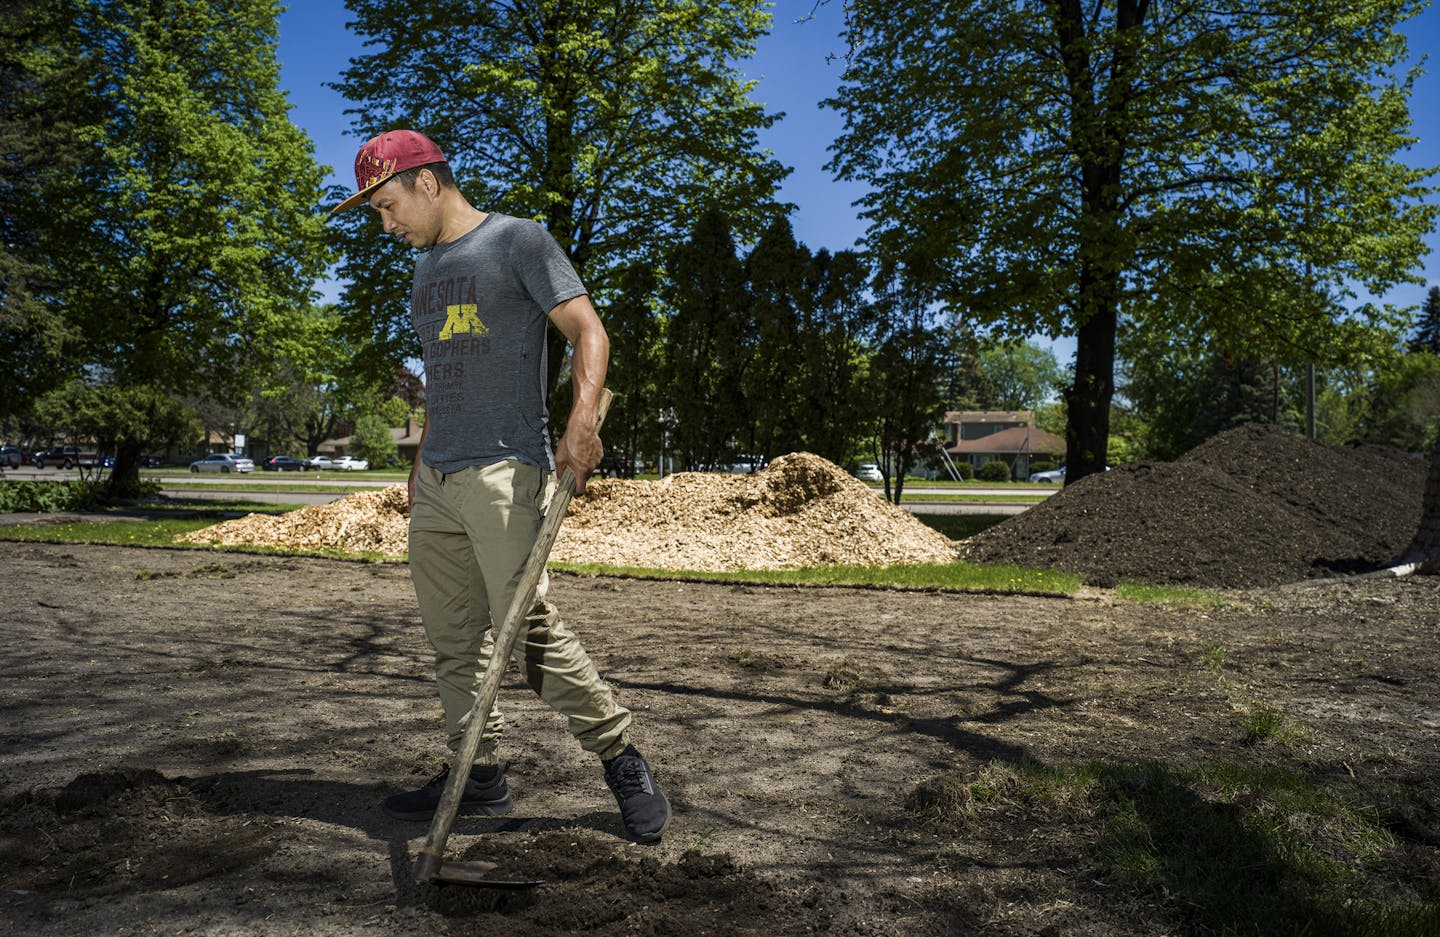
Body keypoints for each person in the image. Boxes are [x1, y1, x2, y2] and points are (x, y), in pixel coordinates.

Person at [330, 129, 669, 844]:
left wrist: (581, 420)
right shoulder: (424, 273)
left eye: (388, 206)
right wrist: (421, 464)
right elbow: (443, 379)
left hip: (505, 469)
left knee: (526, 628)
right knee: (453, 639)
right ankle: (477, 774)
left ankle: (621, 757)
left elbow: (588, 331)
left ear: (427, 183)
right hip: (438, 476)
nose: (385, 225)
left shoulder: (519, 241)